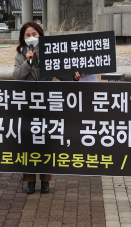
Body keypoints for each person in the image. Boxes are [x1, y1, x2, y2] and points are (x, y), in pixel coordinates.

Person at [13, 21, 83, 194]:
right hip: (28, 104)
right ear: (23, 38)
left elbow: (62, 75)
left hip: (46, 104)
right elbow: (16, 77)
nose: (31, 38)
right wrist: (28, 62)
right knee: (28, 143)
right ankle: (29, 181)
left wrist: (74, 77)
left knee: (46, 142)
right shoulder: (20, 55)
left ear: (41, 36)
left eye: (34, 35)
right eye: (28, 35)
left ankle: (45, 181)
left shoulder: (50, 53)